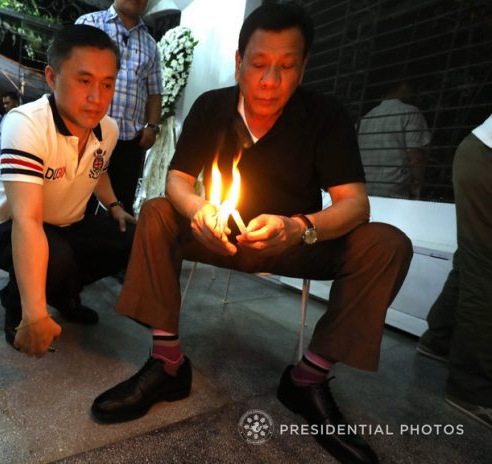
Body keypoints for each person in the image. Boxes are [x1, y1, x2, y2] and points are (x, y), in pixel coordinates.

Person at [90, 4, 413, 464]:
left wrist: (300, 228)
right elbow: (177, 182)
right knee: (161, 211)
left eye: (286, 67)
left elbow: (354, 204)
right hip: (215, 238)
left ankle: (308, 378)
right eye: (259, 64)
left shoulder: (325, 115)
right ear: (239, 61)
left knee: (387, 243)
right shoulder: (212, 107)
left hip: (292, 246)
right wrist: (199, 210)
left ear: (304, 67)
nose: (269, 81)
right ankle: (167, 361)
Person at [0, 24, 136, 355]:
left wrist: (115, 206)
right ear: (51, 77)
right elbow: (27, 221)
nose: (97, 97)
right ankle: (17, 306)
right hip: (10, 227)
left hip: (66, 225)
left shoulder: (108, 129)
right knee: (54, 254)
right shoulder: (26, 123)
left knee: (130, 237)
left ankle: (64, 293)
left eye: (107, 85)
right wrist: (36, 315)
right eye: (84, 81)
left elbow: (98, 169)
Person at [417, 113, 492, 430]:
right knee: (486, 269)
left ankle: (439, 339)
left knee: (474, 261)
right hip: (487, 157)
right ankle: (472, 389)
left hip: (479, 151)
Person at [76, 0, 163, 214]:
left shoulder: (151, 45)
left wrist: (152, 126)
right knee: (79, 202)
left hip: (128, 143)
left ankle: (112, 246)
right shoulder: (89, 25)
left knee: (120, 206)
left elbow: (154, 92)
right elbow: (72, 74)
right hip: (87, 134)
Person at [357, 80, 431, 199]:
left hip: (364, 190)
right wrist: (418, 185)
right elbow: (416, 157)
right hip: (394, 194)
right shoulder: (410, 112)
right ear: (404, 85)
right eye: (414, 89)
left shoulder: (366, 118)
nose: (416, 95)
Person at [0, 91, 20, 160]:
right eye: (4, 103)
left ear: (15, 102)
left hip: (13, 156)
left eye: (7, 103)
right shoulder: (0, 118)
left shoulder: (21, 118)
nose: (5, 106)